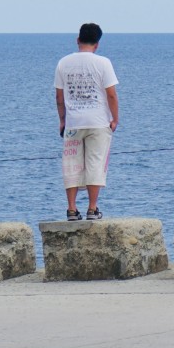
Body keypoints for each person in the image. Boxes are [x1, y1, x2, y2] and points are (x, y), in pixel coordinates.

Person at [55, 23, 120, 220]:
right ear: (97, 44)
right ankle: (92, 208)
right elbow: (111, 95)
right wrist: (115, 118)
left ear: (78, 40)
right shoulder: (103, 63)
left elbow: (59, 98)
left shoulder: (63, 63)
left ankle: (71, 209)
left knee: (71, 165)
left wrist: (62, 120)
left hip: (74, 122)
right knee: (95, 163)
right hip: (98, 122)